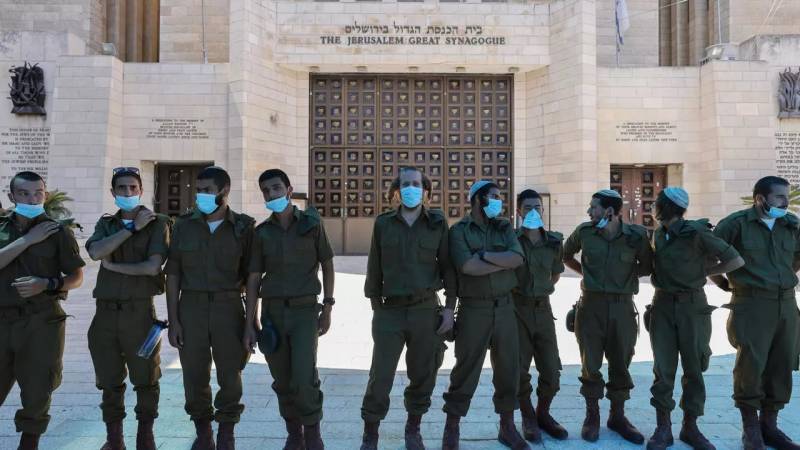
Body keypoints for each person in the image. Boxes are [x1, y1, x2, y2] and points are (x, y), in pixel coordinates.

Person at [360, 167, 456, 450]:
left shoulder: (438, 222)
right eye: (405, 184)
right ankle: (371, 433)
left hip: (425, 310)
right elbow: (374, 266)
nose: (411, 188)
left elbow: (448, 268)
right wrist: (376, 306)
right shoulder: (384, 223)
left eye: (416, 183)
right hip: (390, 312)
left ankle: (413, 429)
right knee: (380, 376)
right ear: (396, 190)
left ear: (426, 190)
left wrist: (450, 309)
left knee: (423, 373)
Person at [243, 169, 335, 450]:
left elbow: (327, 264)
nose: (272, 195)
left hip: (305, 312)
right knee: (282, 379)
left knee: (305, 378)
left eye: (276, 188)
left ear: (289, 188)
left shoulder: (311, 223)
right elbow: (254, 279)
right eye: (266, 191)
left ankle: (313, 435)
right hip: (273, 315)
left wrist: (328, 307)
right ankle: (294, 435)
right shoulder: (261, 233)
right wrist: (251, 322)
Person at [646, 187, 744, 450]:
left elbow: (734, 260)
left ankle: (691, 427)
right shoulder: (659, 234)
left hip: (692, 306)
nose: (654, 205)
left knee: (693, 368)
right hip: (663, 304)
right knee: (662, 369)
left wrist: (705, 270)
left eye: (657, 202)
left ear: (666, 206)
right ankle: (663, 428)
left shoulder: (697, 233)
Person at [165, 166, 254, 450]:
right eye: (198, 189)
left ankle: (226, 431)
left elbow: (252, 278)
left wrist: (252, 322)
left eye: (206, 190)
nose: (200, 195)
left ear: (224, 191)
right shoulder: (184, 225)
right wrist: (173, 320)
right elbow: (173, 274)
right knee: (194, 374)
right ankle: (203, 431)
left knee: (230, 373)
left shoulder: (243, 226)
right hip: (190, 307)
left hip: (228, 307)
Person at [711, 176, 800, 450]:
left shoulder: (792, 224)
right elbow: (707, 257)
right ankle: (751, 429)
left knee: (782, 363)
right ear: (760, 199)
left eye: (786, 196)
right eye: (779, 197)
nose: (785, 202)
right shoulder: (735, 224)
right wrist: (725, 283)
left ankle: (770, 426)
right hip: (750, 304)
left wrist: (782, 279)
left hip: (785, 303)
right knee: (751, 364)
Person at [85, 167, 171, 450]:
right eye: (122, 188)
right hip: (105, 315)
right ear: (113, 193)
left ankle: (145, 436)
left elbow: (152, 267)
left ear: (141, 191)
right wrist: (130, 229)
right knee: (109, 381)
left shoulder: (158, 223)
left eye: (133, 188)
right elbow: (96, 252)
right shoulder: (107, 224)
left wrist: (114, 267)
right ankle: (114, 440)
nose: (128, 193)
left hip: (140, 315)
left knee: (146, 379)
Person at [0, 171, 85, 450]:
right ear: (12, 197)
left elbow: (76, 277)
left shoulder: (58, 231)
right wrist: (27, 240)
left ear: (45, 195)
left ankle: (29, 442)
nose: (32, 199)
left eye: (38, 193)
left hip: (41, 322)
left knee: (38, 388)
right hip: (2, 320)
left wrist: (46, 284)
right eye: (24, 194)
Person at [442, 180, 528, 450]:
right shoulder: (459, 231)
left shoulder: (503, 228)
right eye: (493, 196)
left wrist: (486, 256)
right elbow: (467, 267)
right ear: (478, 199)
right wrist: (499, 263)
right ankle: (452, 428)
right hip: (473, 309)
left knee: (508, 369)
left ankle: (507, 427)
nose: (498, 201)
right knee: (465, 370)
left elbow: (517, 258)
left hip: (505, 308)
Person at [563, 189, 653, 444]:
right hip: (590, 306)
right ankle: (592, 416)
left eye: (594, 207)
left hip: (622, 307)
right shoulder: (584, 232)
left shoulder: (636, 236)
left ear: (610, 211)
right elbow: (565, 254)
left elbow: (646, 266)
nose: (589, 212)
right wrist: (586, 274)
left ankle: (618, 416)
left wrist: (622, 278)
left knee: (621, 363)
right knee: (590, 363)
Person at [512, 189, 568, 443]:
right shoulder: (511, 240)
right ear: (518, 211)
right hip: (517, 309)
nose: (533, 212)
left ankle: (542, 412)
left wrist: (542, 290)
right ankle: (527, 416)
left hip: (543, 310)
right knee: (519, 369)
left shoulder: (554, 242)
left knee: (551, 369)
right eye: (527, 208)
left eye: (538, 207)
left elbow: (555, 274)